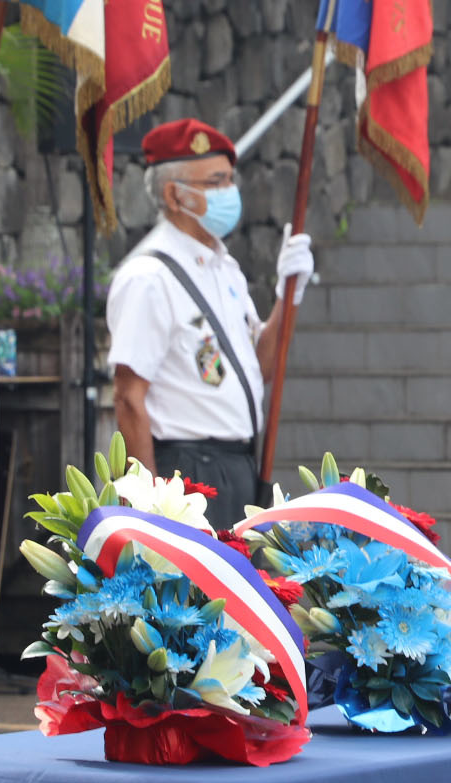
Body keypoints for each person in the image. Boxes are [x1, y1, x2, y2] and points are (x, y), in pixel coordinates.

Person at [108, 117, 315, 528]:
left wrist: (288, 295)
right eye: (214, 182)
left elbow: (262, 367)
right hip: (186, 470)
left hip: (238, 463)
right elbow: (129, 397)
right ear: (174, 194)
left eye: (229, 181)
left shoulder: (226, 269)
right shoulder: (149, 277)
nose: (228, 193)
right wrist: (151, 509)